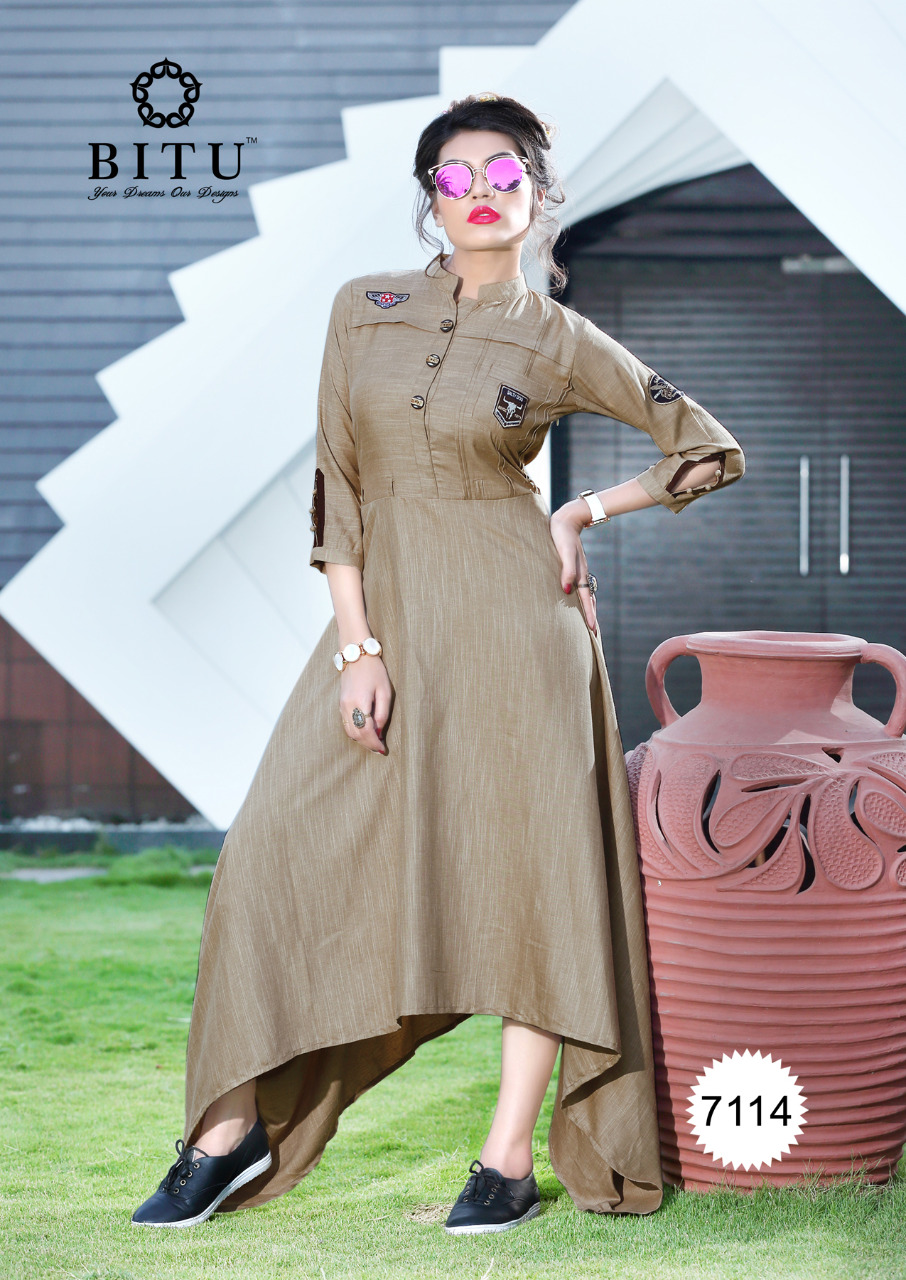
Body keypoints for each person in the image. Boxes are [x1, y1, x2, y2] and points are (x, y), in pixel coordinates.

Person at [131, 91, 744, 1237]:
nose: (481, 194)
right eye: (456, 178)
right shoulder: (362, 309)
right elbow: (340, 480)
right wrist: (357, 644)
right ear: (430, 199)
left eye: (505, 175)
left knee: (531, 882)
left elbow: (706, 447)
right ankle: (227, 1130)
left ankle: (505, 1159)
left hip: (520, 632)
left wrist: (582, 511)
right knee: (265, 856)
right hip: (391, 622)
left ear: (538, 194)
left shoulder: (559, 336)